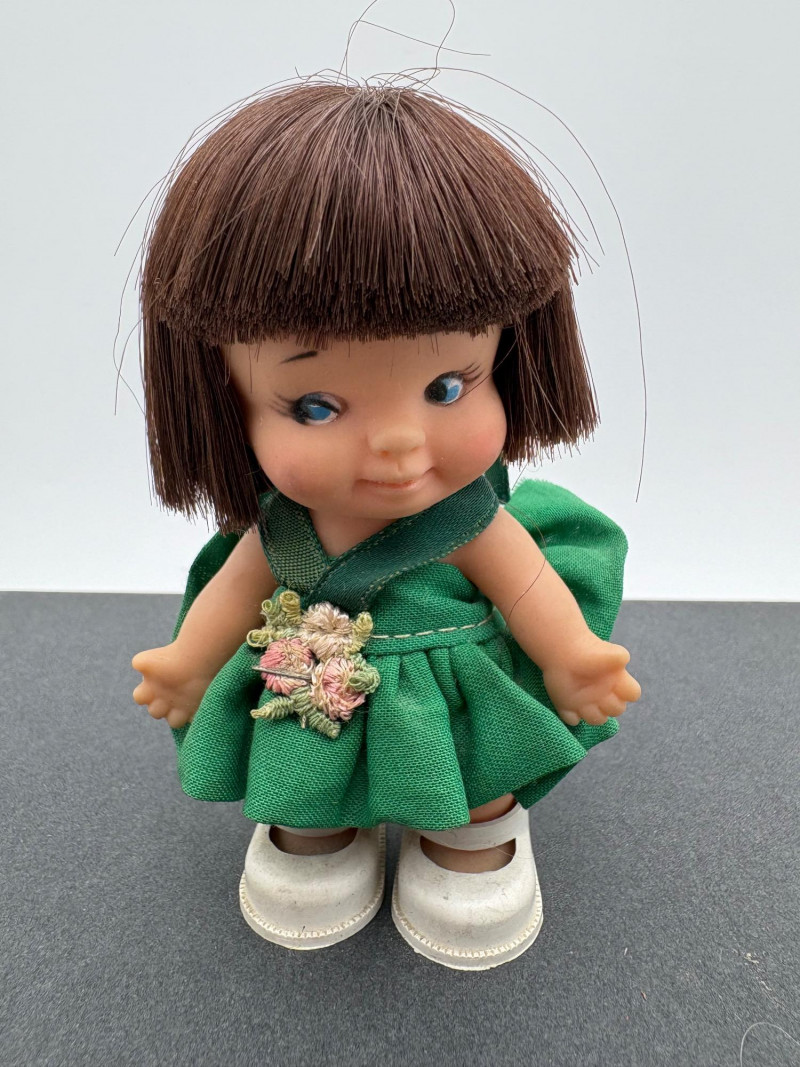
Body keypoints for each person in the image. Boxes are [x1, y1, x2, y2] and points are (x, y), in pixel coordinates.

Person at [132, 81, 641, 969]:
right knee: (305, 761)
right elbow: (235, 591)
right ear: (226, 400)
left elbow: (524, 583)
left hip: (454, 673)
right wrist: (187, 660)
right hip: (317, 677)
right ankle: (319, 824)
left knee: (477, 758)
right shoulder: (285, 532)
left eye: (448, 387)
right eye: (316, 405)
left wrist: (569, 654)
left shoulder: (468, 517)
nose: (400, 444)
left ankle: (474, 825)